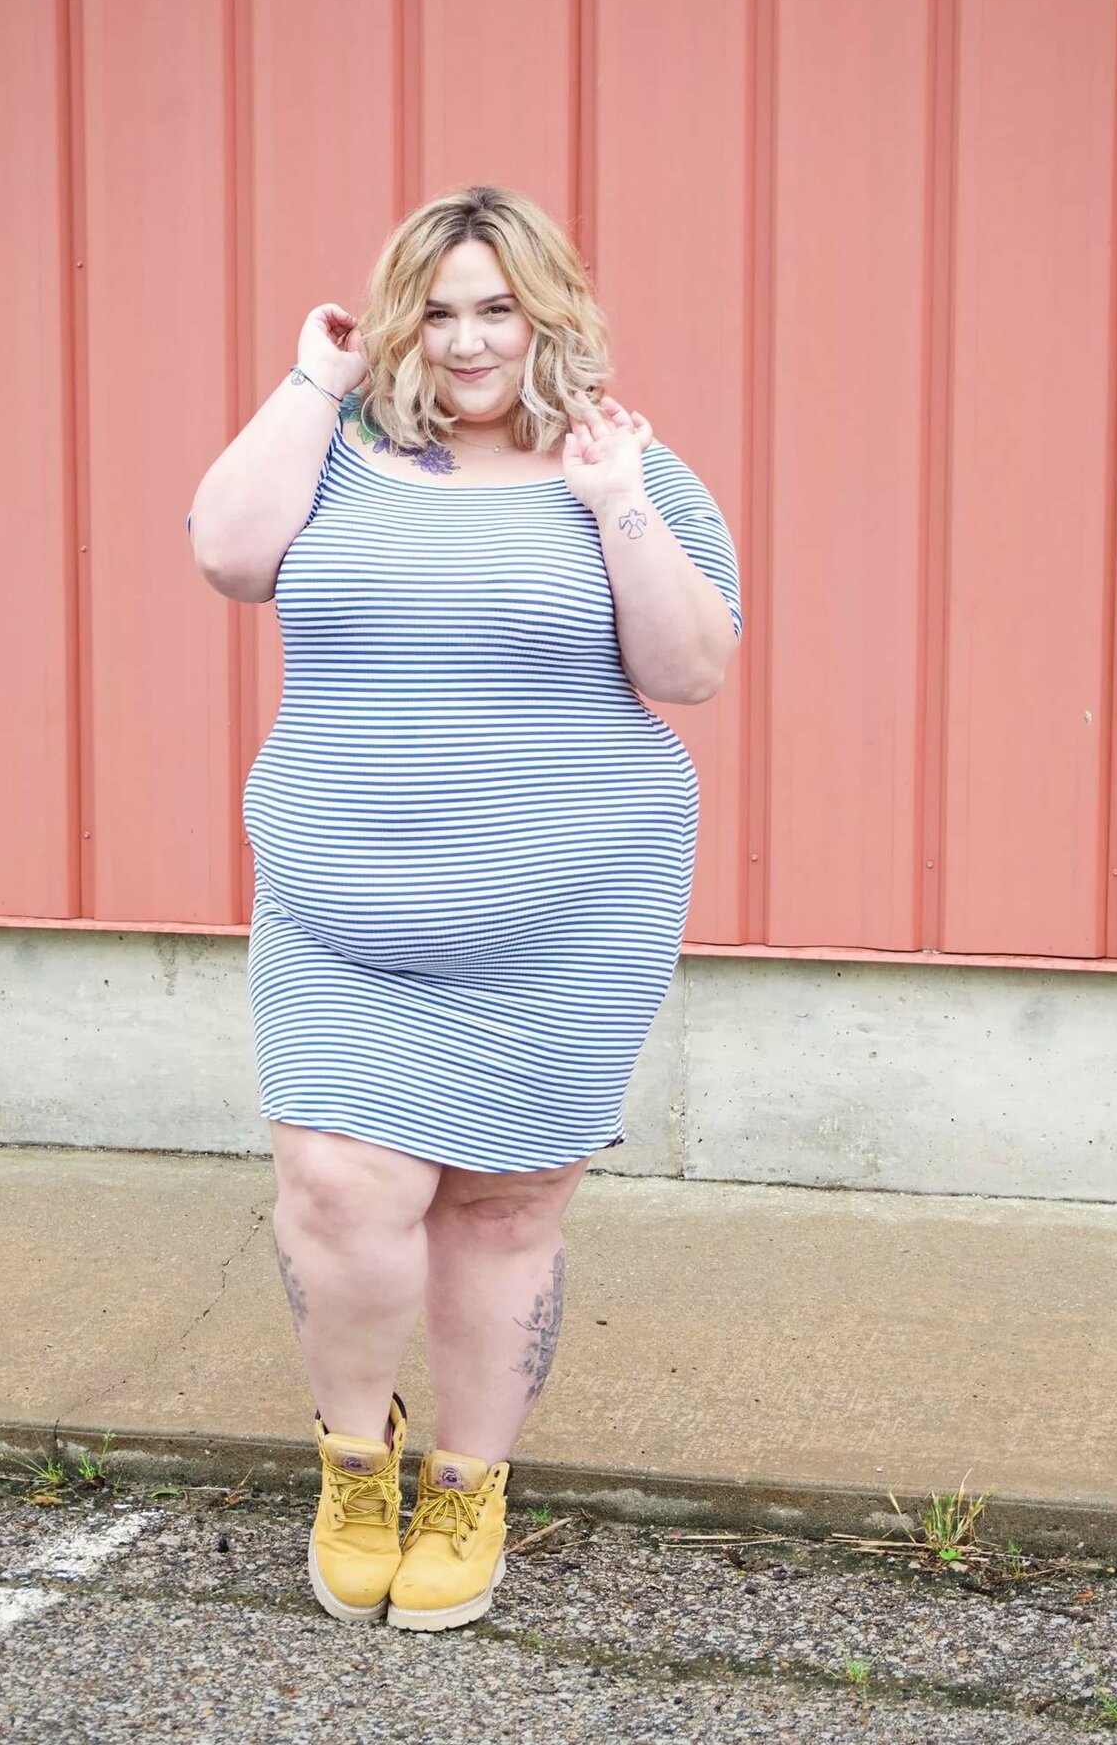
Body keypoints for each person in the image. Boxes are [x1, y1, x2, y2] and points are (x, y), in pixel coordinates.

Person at [186, 184, 742, 1632]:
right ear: (395, 321)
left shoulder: (630, 467)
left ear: (550, 315)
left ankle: (468, 1485)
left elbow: (690, 670)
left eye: (499, 308)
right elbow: (228, 556)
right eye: (436, 311)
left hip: (567, 922)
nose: (469, 339)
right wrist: (312, 381)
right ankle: (353, 1463)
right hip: (343, 916)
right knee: (337, 1191)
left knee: (502, 1212)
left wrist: (615, 503)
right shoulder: (333, 451)